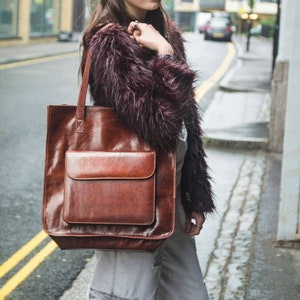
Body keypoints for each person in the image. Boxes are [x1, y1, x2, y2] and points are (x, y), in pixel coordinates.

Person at [80, 1, 215, 299]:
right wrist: (165, 55)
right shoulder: (109, 42)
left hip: (171, 195)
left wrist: (193, 195)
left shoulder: (166, 34)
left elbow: (188, 123)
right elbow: (160, 127)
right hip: (130, 198)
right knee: (127, 292)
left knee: (190, 293)